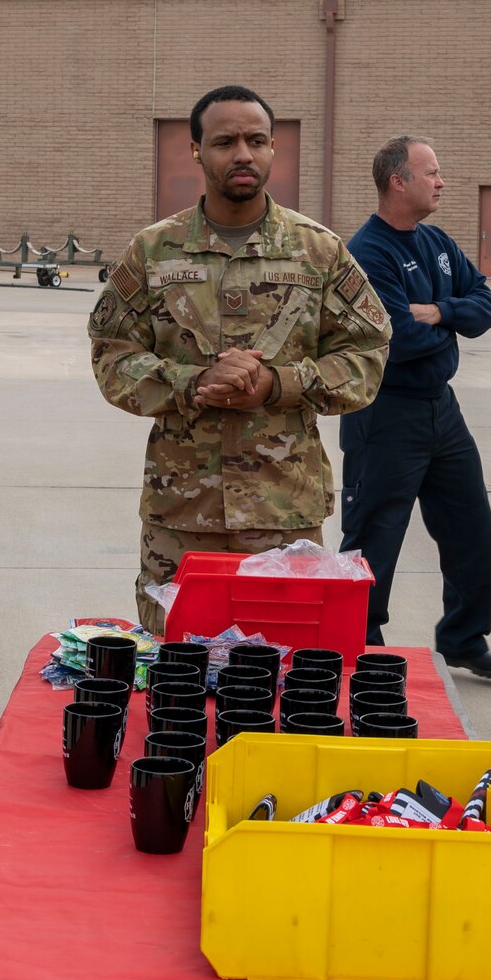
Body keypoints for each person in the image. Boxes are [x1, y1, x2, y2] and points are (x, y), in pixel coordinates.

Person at [90, 84, 391, 633]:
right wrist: (191, 381)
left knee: (284, 664)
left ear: (275, 148)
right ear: (197, 151)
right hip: (182, 511)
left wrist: (278, 384)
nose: (243, 154)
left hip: (283, 511)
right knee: (172, 666)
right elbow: (112, 354)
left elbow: (368, 352)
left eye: (256, 140)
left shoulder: (318, 251)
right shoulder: (154, 251)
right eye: (225, 141)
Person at [337, 136, 491, 680]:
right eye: (432, 172)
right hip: (385, 412)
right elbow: (396, 339)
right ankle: (359, 644)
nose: (441, 182)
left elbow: (485, 306)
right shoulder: (368, 252)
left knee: (469, 527)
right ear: (399, 181)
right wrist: (446, 330)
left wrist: (439, 313)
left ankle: (464, 637)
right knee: (375, 533)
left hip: (442, 408)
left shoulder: (436, 240)